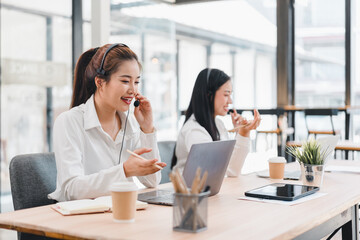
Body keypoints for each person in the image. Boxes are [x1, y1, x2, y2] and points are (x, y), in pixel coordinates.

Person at [49, 43, 166, 202]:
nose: (133, 90)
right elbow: (72, 189)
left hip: (119, 212)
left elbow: (152, 181)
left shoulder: (129, 124)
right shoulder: (69, 121)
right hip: (81, 220)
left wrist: (147, 128)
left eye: (136, 82)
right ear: (100, 82)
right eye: (125, 81)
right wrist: (124, 171)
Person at [172, 68, 261, 176]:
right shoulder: (194, 131)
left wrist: (243, 133)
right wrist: (242, 133)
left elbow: (232, 170)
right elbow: (218, 172)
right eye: (226, 94)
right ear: (208, 94)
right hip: (190, 191)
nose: (230, 101)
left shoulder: (218, 125)